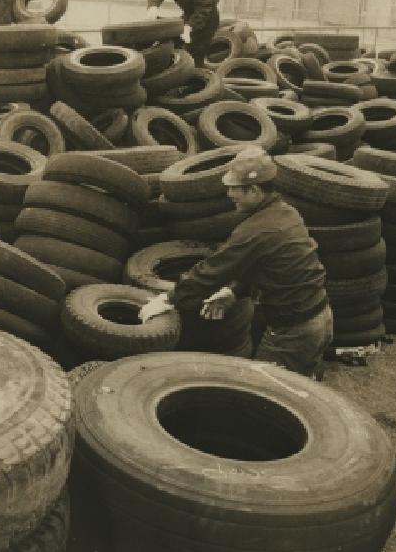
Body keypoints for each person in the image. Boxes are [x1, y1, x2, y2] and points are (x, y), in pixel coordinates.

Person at [139, 148, 333, 379]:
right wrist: (233, 292)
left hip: (294, 333)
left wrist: (168, 299)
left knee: (263, 393)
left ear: (253, 189)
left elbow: (210, 272)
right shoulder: (287, 214)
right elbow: (275, 267)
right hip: (321, 318)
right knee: (305, 386)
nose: (229, 194)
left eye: (234, 188)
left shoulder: (255, 230)